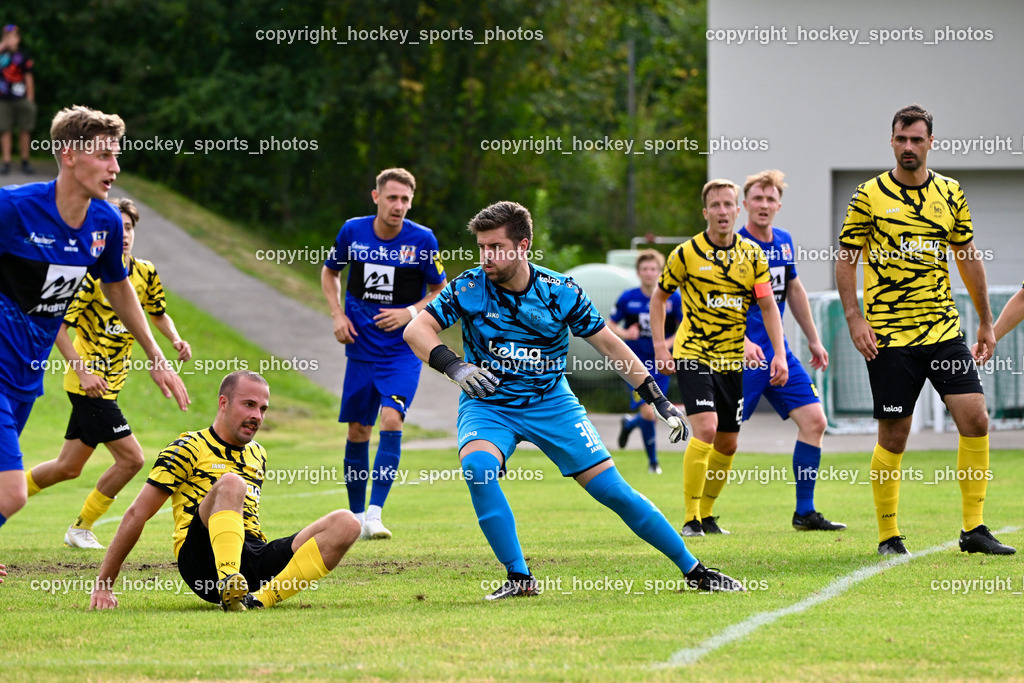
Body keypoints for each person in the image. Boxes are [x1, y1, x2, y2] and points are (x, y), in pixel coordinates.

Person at [405, 200, 745, 597]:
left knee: (613, 491)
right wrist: (455, 367)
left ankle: (696, 571)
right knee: (478, 468)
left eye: (496, 247)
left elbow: (611, 346)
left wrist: (658, 399)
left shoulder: (559, 291)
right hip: (489, 404)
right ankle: (520, 579)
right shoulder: (469, 286)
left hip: (552, 403)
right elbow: (416, 330)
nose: (486, 257)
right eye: (482, 247)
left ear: (523, 246)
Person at [0, 105, 189, 541]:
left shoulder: (104, 221)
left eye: (116, 155)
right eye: (104, 155)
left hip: (25, 378)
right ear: (69, 155)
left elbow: (118, 288)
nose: (115, 167)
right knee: (11, 493)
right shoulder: (14, 208)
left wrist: (155, 354)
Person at [835, 104, 1014, 557]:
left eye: (917, 139)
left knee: (975, 419)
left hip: (943, 332)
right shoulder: (867, 195)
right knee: (894, 434)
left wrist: (986, 321)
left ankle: (974, 528)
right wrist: (854, 317)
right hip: (889, 338)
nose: (908, 146)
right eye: (901, 138)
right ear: (891, 141)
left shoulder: (951, 193)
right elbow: (846, 259)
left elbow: (967, 256)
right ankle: (888, 535)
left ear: (931, 142)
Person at [90, 371, 361, 611]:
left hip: (251, 557)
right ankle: (228, 582)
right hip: (201, 561)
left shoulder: (258, 454)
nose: (257, 416)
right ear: (223, 403)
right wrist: (104, 585)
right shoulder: (187, 447)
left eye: (263, 409)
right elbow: (137, 513)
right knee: (232, 482)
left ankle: (256, 600)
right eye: (249, 405)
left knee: (348, 523)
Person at [25, 198, 193, 549]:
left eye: (129, 228)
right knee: (132, 459)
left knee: (67, 467)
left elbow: (157, 312)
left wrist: (175, 339)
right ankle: (81, 527)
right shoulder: (90, 275)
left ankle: (5, 493)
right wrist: (83, 372)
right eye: (118, 228)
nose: (125, 235)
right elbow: (57, 327)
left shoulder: (145, 272)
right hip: (89, 386)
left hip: (111, 384)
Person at [650, 179, 788, 537]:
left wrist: (780, 354)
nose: (722, 211)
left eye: (728, 205)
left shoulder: (753, 255)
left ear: (737, 210)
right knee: (707, 429)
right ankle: (690, 519)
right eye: (716, 205)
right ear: (705, 212)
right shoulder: (685, 254)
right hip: (694, 354)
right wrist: (660, 347)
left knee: (728, 442)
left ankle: (708, 515)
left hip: (731, 361)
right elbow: (659, 298)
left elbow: (768, 306)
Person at [321, 168, 447, 540]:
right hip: (361, 347)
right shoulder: (353, 231)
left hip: (402, 350)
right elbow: (330, 273)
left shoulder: (422, 239)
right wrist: (337, 314)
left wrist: (409, 313)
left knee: (392, 419)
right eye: (392, 197)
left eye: (405, 199)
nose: (399, 206)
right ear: (376, 197)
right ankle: (356, 517)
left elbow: (440, 289)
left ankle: (375, 515)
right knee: (359, 428)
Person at [738, 170, 845, 532]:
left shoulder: (783, 242)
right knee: (721, 434)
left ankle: (805, 512)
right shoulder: (735, 247)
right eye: (757, 198)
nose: (764, 204)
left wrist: (813, 338)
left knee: (815, 422)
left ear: (779, 206)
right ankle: (698, 515)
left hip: (779, 354)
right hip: (741, 355)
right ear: (745, 204)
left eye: (770, 199)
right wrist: (742, 340)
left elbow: (794, 289)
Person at [610, 249, 682, 474]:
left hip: (661, 363)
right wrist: (626, 333)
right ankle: (653, 463)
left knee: (655, 413)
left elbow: (684, 327)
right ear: (638, 272)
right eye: (645, 269)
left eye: (653, 269)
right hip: (635, 363)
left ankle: (630, 423)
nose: (649, 272)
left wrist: (666, 344)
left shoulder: (673, 298)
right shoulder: (628, 297)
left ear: (660, 272)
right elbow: (610, 325)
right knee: (649, 412)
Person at [0, 24, 35, 175]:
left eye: (13, 36)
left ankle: (25, 160)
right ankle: (6, 161)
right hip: (3, 98)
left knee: (24, 129)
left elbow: (28, 77)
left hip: (21, 98)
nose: (10, 39)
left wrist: (30, 99)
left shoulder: (23, 56)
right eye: (6, 37)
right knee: (5, 129)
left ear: (18, 39)